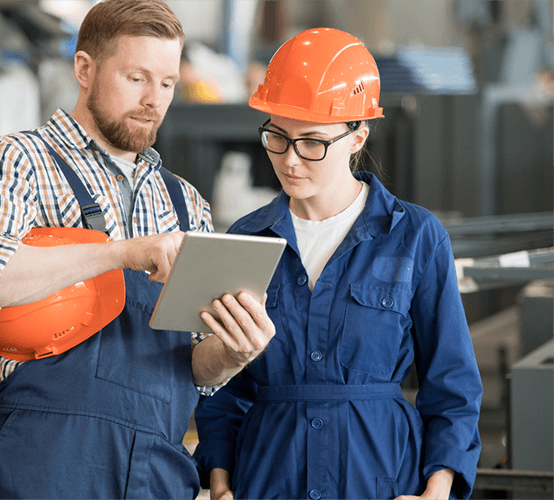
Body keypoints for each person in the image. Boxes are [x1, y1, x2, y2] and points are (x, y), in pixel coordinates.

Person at [0, 1, 275, 498]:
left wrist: (231, 353)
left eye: (166, 83)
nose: (153, 100)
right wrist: (122, 253)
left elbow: (193, 368)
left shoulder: (186, 204)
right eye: (136, 78)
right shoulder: (22, 161)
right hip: (46, 463)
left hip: (156, 471)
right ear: (84, 69)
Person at [193, 28, 483, 500]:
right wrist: (221, 480)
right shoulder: (246, 239)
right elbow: (225, 386)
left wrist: (438, 490)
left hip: (379, 477)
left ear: (357, 137)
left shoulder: (414, 237)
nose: (289, 160)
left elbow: (451, 384)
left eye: (311, 142)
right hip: (269, 477)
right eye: (276, 136)